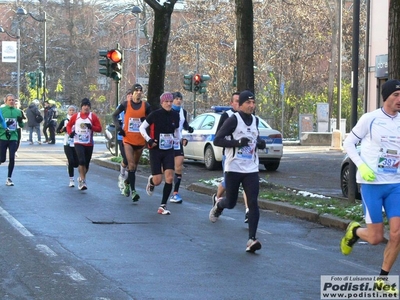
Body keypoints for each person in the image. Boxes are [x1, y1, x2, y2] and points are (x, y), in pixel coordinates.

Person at [341, 79, 400, 287]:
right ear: (386, 97)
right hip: (372, 185)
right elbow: (348, 142)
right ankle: (355, 231)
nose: (399, 99)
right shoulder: (371, 119)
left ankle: (382, 279)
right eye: (396, 95)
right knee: (375, 238)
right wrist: (361, 166)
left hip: (396, 185)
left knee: (397, 233)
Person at [210, 90, 266, 253]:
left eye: (253, 102)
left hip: (251, 168)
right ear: (240, 105)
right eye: (248, 103)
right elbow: (217, 140)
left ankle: (251, 239)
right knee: (232, 203)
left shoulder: (255, 120)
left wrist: (260, 143)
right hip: (233, 168)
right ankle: (219, 204)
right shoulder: (233, 120)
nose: (251, 105)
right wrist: (237, 142)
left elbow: (256, 138)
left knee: (253, 202)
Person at [139, 92, 180, 215]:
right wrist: (149, 140)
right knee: (158, 181)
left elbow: (177, 131)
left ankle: (163, 205)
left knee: (170, 177)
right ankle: (151, 182)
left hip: (169, 150)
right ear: (162, 102)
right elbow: (141, 128)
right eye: (166, 101)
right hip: (156, 150)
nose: (169, 104)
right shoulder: (155, 114)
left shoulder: (175, 115)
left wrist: (179, 141)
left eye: (170, 101)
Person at [212, 92, 250, 223]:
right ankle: (217, 200)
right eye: (236, 101)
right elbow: (218, 137)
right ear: (232, 103)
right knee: (227, 184)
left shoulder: (249, 117)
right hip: (229, 156)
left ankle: (248, 211)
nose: (239, 103)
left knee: (247, 185)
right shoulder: (227, 116)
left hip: (246, 158)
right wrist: (235, 143)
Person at [112, 84, 151, 202]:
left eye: (140, 91)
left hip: (140, 140)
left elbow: (152, 119)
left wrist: (146, 121)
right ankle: (134, 191)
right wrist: (119, 127)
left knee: (133, 168)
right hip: (128, 139)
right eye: (136, 91)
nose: (138, 92)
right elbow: (114, 115)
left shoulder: (146, 105)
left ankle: (127, 184)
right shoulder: (126, 104)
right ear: (132, 93)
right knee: (131, 165)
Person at [66, 98, 102, 190]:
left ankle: (81, 178)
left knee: (86, 164)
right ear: (81, 107)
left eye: (88, 106)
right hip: (78, 142)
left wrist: (92, 127)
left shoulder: (92, 116)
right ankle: (83, 181)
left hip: (89, 143)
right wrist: (70, 133)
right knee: (81, 161)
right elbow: (69, 125)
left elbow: (99, 128)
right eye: (84, 105)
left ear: (89, 107)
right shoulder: (76, 116)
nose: (86, 107)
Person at [169, 91, 194, 203]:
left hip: (178, 142)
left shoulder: (183, 112)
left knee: (179, 166)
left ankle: (175, 193)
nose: (178, 101)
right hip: (167, 142)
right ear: (172, 100)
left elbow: (184, 124)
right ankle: (153, 180)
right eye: (176, 98)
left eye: (180, 99)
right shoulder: (168, 111)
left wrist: (189, 128)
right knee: (165, 170)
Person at [0, 94, 25, 186]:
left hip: (13, 137)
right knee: (2, 159)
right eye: (9, 100)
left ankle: (9, 178)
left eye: (13, 100)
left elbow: (21, 125)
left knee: (12, 158)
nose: (11, 102)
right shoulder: (1, 110)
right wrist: (4, 127)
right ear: (5, 101)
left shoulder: (18, 111)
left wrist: (20, 120)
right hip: (2, 137)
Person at [57, 105, 79, 187]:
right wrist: (63, 129)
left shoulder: (78, 120)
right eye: (70, 110)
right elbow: (58, 130)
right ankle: (71, 180)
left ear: (76, 112)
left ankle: (70, 165)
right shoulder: (65, 120)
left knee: (76, 163)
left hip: (76, 143)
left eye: (73, 110)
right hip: (67, 143)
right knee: (71, 161)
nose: (71, 112)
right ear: (68, 111)